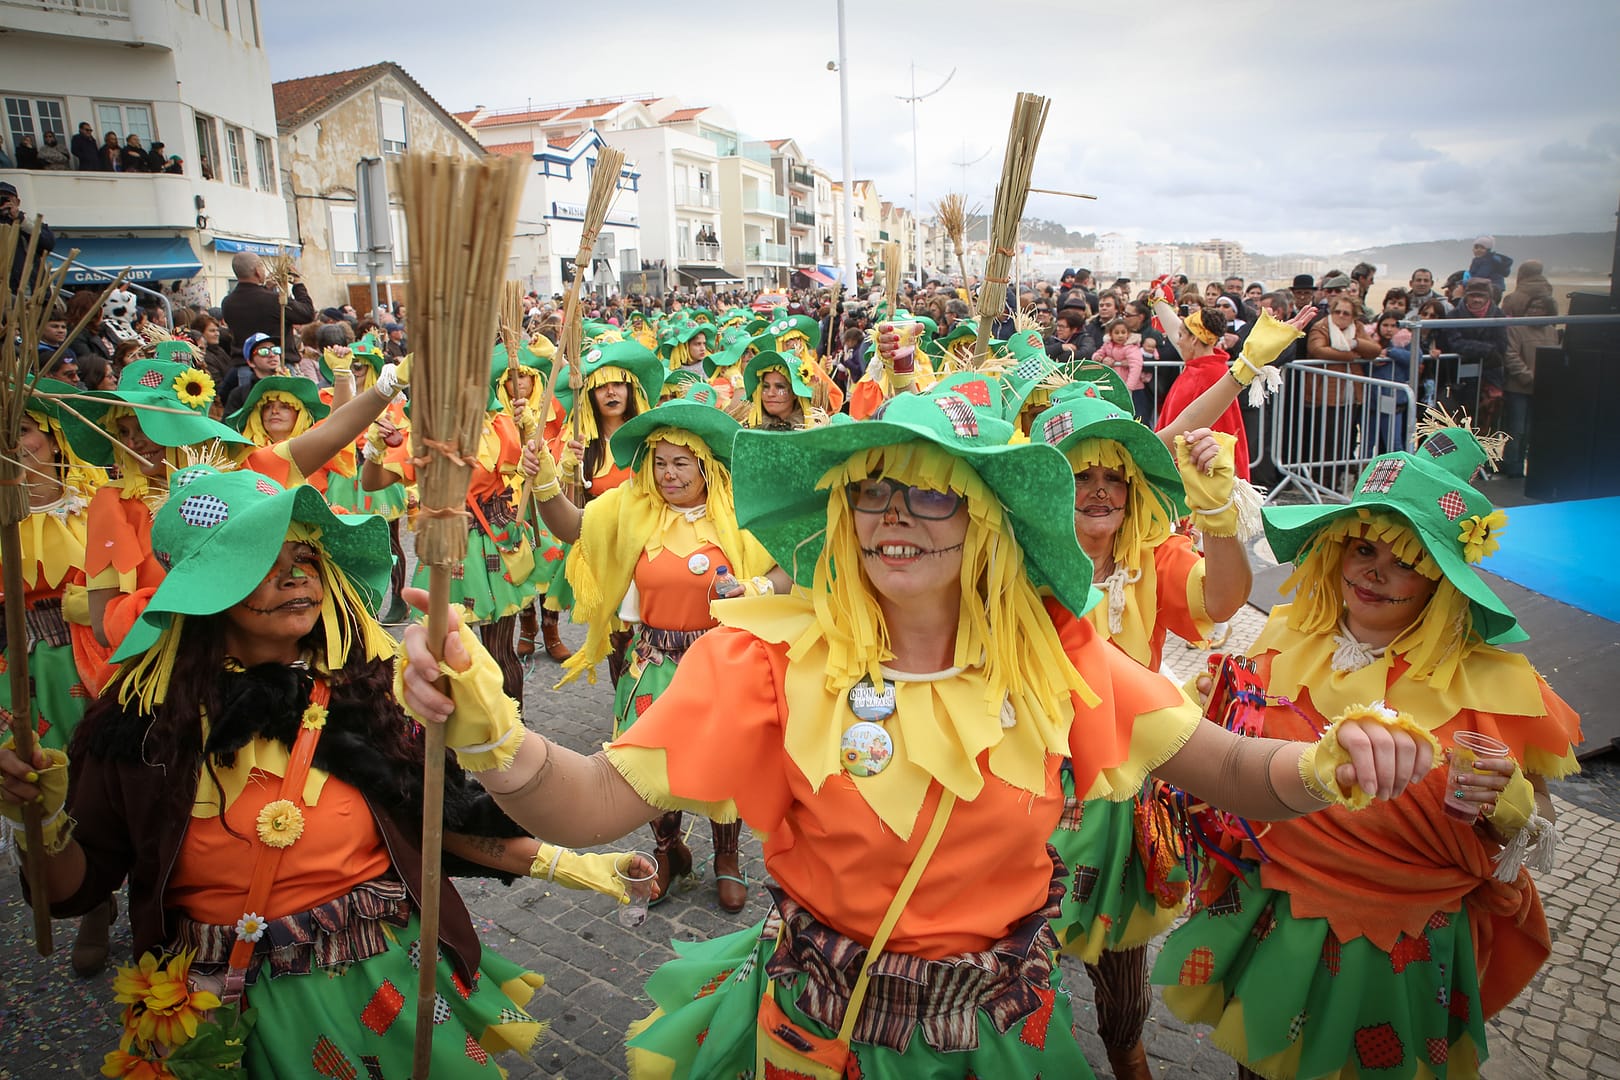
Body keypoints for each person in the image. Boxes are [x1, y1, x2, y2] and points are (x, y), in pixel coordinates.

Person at [394, 384, 1434, 1079]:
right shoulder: (765, 657)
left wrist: (1326, 763)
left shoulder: (1058, 658)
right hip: (817, 1036)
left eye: (933, 496)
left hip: (995, 1040)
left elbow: (1234, 769)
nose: (895, 514)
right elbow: (586, 805)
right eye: (874, 491)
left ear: (985, 522)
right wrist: (490, 731)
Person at [0, 465, 645, 1076]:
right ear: (207, 588)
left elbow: (439, 821)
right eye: (264, 562)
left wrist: (578, 867)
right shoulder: (140, 721)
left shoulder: (369, 691)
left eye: (304, 557)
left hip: (388, 984)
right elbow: (71, 891)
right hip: (222, 1010)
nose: (295, 578)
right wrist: (41, 821)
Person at [1154, 419, 1581, 1079]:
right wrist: (1213, 710)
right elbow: (1231, 758)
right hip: (1278, 909)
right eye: (1363, 551)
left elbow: (1540, 823)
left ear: (1441, 580)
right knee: (1259, 1058)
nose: (1375, 575)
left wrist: (1513, 800)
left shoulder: (1496, 684)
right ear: (1336, 551)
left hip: (1399, 940)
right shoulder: (1284, 636)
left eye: (1406, 562)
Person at [1032, 381, 1255, 1078]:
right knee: (1019, 939)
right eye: (1081, 476)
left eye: (1114, 478)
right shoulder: (1014, 558)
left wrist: (1217, 513)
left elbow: (1223, 599)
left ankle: (1128, 1052)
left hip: (1123, 781)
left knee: (1120, 957)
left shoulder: (1152, 558)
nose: (1100, 490)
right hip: (1028, 779)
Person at [531, 391, 784, 913]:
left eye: (680, 464)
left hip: (723, 661)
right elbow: (571, 527)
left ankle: (728, 856)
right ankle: (669, 852)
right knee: (651, 765)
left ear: (705, 467)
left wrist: (758, 587)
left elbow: (789, 560)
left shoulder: (738, 510)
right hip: (653, 661)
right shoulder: (630, 507)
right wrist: (545, 482)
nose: (668, 474)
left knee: (726, 760)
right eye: (660, 462)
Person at [1501, 295, 1557, 479]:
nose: (1534, 311)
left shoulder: (1552, 331)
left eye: (1539, 307)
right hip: (1518, 388)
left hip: (1542, 389)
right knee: (1516, 429)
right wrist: (1529, 377)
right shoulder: (1517, 328)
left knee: (1533, 430)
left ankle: (1527, 465)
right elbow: (1510, 356)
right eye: (1532, 306)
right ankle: (1512, 466)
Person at [219, 252, 315, 356]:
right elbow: (307, 314)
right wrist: (298, 283)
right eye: (262, 266)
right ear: (257, 271)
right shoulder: (274, 300)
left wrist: (266, 288)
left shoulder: (227, 302)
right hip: (275, 359)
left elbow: (254, 305)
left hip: (242, 360)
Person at [2, 181, 56, 293]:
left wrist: (20, 219)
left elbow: (48, 244)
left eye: (7, 199)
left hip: (29, 291)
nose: (3, 202)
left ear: (17, 202)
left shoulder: (28, 223)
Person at [1092, 317, 1148, 420]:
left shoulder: (1131, 347)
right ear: (1111, 334)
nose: (1120, 335)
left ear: (1128, 334)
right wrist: (1100, 358)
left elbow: (1136, 366)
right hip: (1114, 387)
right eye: (1116, 332)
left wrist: (1129, 387)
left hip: (1133, 389)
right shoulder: (1107, 345)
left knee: (1138, 416)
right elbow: (1096, 354)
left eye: (1123, 332)